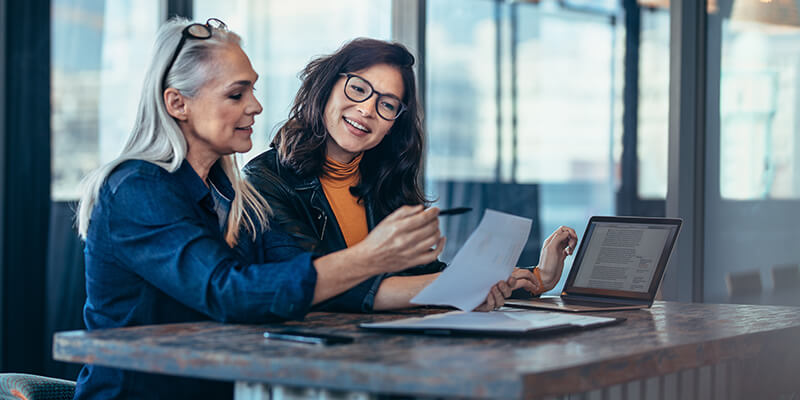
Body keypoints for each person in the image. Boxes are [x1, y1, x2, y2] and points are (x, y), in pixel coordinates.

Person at [74, 20, 518, 400]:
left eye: (253, 89)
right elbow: (229, 292)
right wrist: (372, 256)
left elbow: (305, 280)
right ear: (177, 103)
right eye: (236, 94)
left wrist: (472, 287)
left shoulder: (230, 195)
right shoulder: (137, 189)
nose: (256, 106)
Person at [243, 38, 578, 311]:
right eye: (358, 89)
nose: (367, 110)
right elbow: (318, 285)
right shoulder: (264, 180)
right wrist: (462, 287)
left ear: (393, 125)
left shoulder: (384, 181)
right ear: (327, 87)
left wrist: (537, 277)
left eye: (387, 105)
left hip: (387, 354)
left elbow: (423, 277)